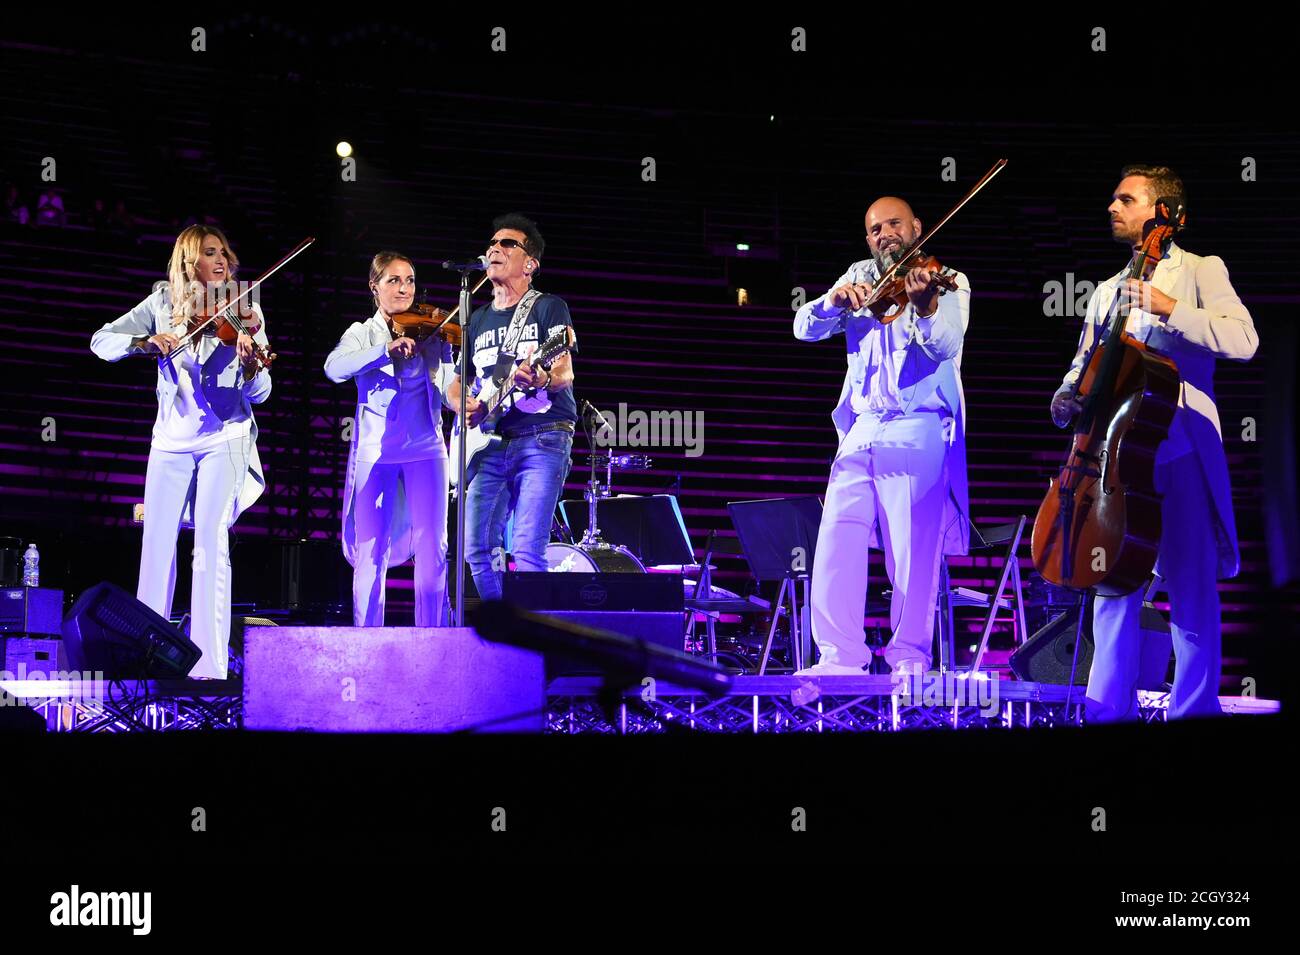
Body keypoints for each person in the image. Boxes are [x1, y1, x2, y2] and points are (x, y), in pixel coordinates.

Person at [1051, 165, 1258, 720]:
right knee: (1112, 591)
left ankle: (1194, 712)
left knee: (1191, 594)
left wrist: (1169, 309)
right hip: (1117, 460)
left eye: (1126, 199)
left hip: (1179, 451)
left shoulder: (1200, 270)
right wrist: (1066, 395)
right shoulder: (1105, 292)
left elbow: (1243, 339)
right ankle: (1105, 713)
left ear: (1163, 213)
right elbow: (1083, 366)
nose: (1112, 207)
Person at [793, 196, 971, 677]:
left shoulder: (946, 278)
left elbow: (949, 344)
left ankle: (909, 658)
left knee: (912, 550)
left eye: (894, 224)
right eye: (874, 229)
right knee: (836, 538)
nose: (884, 234)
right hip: (862, 424)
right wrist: (831, 301)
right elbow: (802, 328)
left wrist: (926, 307)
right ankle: (839, 657)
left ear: (917, 226)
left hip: (918, 425)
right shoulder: (857, 275)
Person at [90, 225, 270, 679]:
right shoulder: (161, 303)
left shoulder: (245, 304)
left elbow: (263, 391)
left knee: (210, 544)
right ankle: (145, 658)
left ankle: (207, 668)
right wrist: (144, 342)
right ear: (190, 261)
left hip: (223, 437)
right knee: (156, 548)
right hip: (170, 440)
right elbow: (101, 340)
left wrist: (250, 366)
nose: (223, 261)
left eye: (226, 253)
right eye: (211, 253)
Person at [446, 213, 576, 601]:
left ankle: (534, 651)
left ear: (530, 263)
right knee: (476, 549)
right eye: (492, 243)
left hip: (543, 437)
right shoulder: (479, 318)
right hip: (491, 442)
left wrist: (540, 379)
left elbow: (564, 373)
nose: (494, 248)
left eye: (507, 244)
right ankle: (507, 631)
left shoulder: (549, 307)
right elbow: (458, 381)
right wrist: (462, 404)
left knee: (526, 551)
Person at [325, 252, 454, 626]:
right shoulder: (362, 332)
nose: (404, 288)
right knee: (371, 550)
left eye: (410, 280)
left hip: (426, 449)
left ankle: (432, 639)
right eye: (394, 280)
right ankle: (368, 641)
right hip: (374, 453)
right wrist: (384, 350)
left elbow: (448, 384)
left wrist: (467, 398)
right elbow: (334, 368)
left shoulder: (431, 331)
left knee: (433, 546)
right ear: (374, 287)